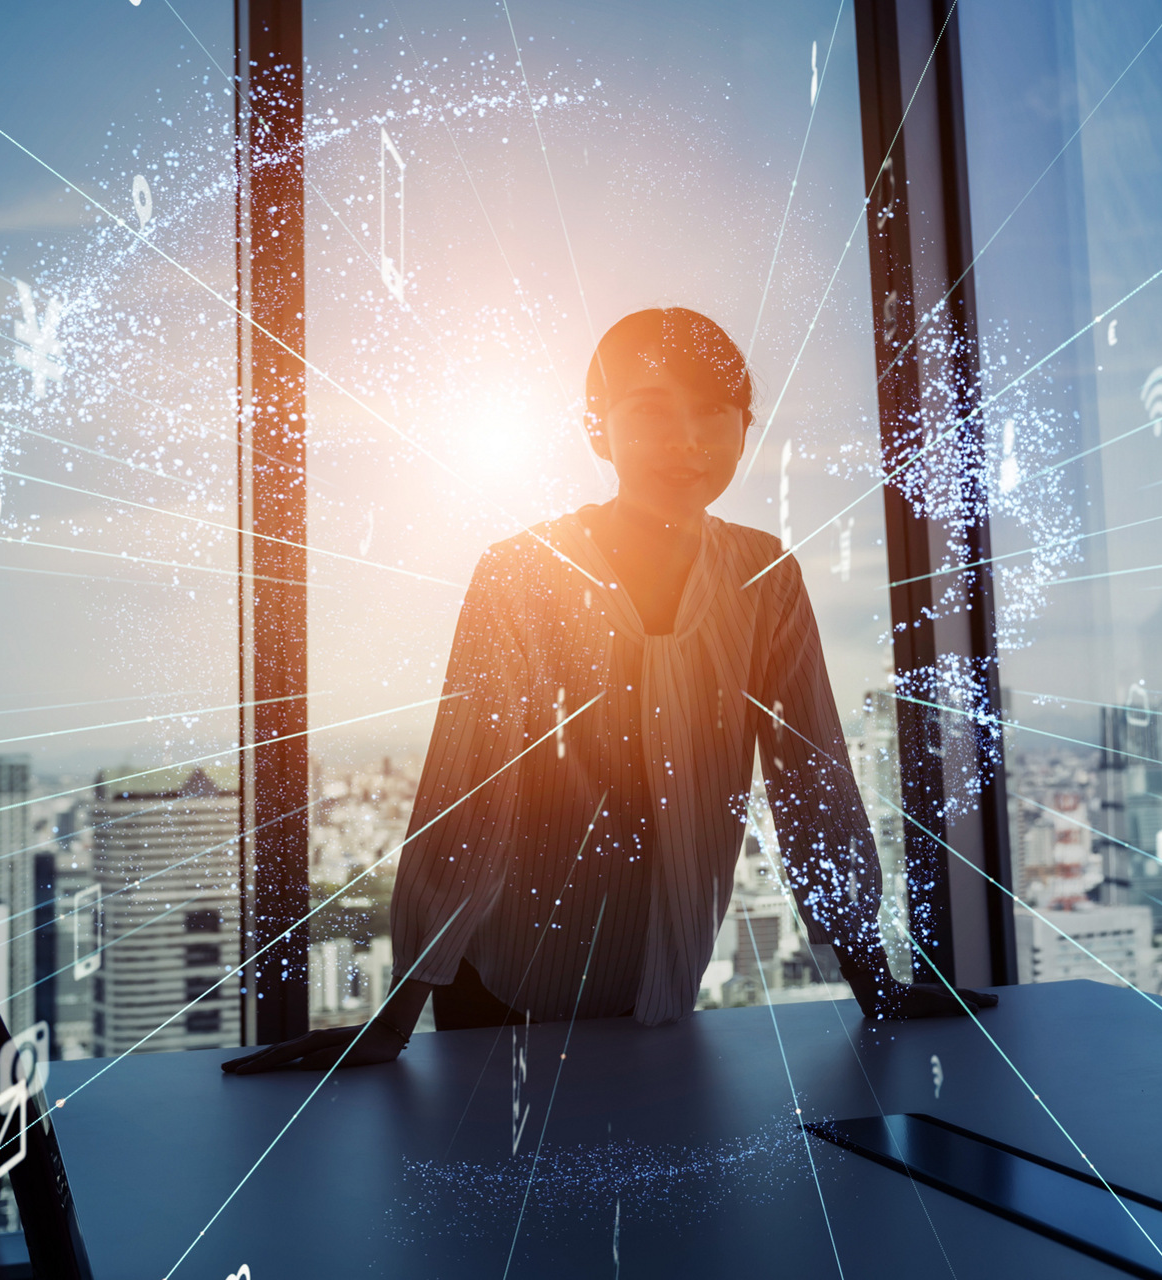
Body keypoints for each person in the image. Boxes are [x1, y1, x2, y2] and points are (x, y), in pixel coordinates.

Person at [227, 308, 992, 1074]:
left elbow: (812, 780)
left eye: (714, 417)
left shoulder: (768, 578)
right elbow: (471, 790)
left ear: (745, 429)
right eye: (654, 414)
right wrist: (392, 1023)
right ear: (599, 430)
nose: (688, 442)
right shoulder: (519, 573)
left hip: (665, 981)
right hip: (504, 988)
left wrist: (875, 987)